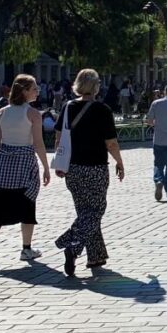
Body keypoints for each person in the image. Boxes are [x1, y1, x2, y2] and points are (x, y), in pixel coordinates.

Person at [0, 75, 51, 270]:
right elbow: (38, 143)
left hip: (2, 166)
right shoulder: (33, 114)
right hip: (24, 166)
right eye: (34, 88)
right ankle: (26, 248)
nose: (37, 91)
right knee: (27, 204)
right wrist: (45, 167)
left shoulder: (2, 112)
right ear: (24, 91)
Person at [54, 69, 125, 276]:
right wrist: (119, 162)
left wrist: (61, 163)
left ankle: (95, 257)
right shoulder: (102, 110)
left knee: (85, 212)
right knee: (96, 211)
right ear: (95, 86)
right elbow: (110, 142)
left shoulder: (67, 107)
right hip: (95, 168)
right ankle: (71, 244)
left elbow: (59, 138)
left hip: (73, 168)